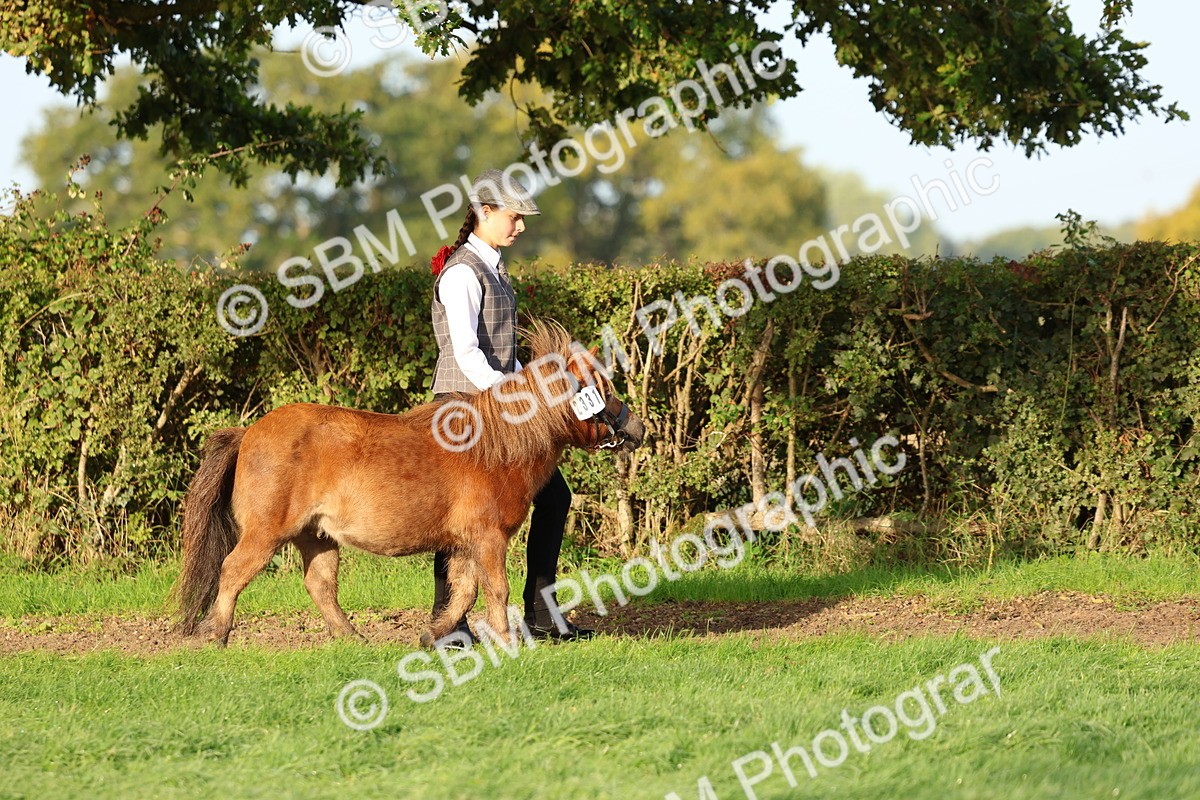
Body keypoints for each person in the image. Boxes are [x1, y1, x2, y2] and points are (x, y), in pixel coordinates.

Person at [428, 168, 594, 643]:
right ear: (484, 212)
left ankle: (542, 616)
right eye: (514, 216)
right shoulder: (462, 272)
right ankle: (448, 627)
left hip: (502, 404)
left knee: (555, 496)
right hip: (465, 405)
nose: (521, 226)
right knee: (453, 515)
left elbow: (500, 350)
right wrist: (516, 395)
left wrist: (533, 386)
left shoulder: (494, 267)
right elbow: (465, 353)